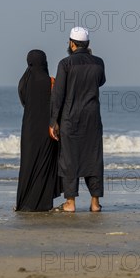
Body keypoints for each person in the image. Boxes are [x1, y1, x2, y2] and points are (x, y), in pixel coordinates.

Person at [49, 27, 106, 212]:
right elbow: (101, 81)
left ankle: (70, 203)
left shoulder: (65, 64)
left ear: (71, 43)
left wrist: (53, 122)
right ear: (88, 44)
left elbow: (58, 95)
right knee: (94, 158)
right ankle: (95, 203)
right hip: (92, 118)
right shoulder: (99, 63)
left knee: (69, 159)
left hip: (70, 118)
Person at [16, 49, 60, 211]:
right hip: (47, 128)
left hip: (28, 128)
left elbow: (24, 101)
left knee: (28, 164)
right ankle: (43, 203)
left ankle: (23, 202)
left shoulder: (24, 82)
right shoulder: (51, 82)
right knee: (45, 164)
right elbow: (57, 104)